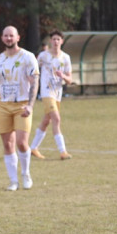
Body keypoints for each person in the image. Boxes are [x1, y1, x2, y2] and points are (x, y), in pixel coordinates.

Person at [0, 26, 40, 191]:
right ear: (2, 38)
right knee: (8, 144)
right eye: (6, 36)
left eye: (11, 36)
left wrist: (30, 105)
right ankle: (13, 180)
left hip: (22, 104)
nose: (9, 38)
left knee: (22, 143)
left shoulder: (27, 57)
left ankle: (26, 174)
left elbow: (34, 82)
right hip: (3, 105)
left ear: (18, 37)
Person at [30, 30, 73, 160]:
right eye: (53, 39)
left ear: (62, 41)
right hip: (47, 92)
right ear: (50, 41)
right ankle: (62, 151)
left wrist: (63, 76)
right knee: (57, 119)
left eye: (58, 39)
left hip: (57, 93)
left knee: (46, 121)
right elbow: (33, 70)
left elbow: (70, 80)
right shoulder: (43, 56)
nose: (55, 42)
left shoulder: (66, 58)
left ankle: (33, 148)